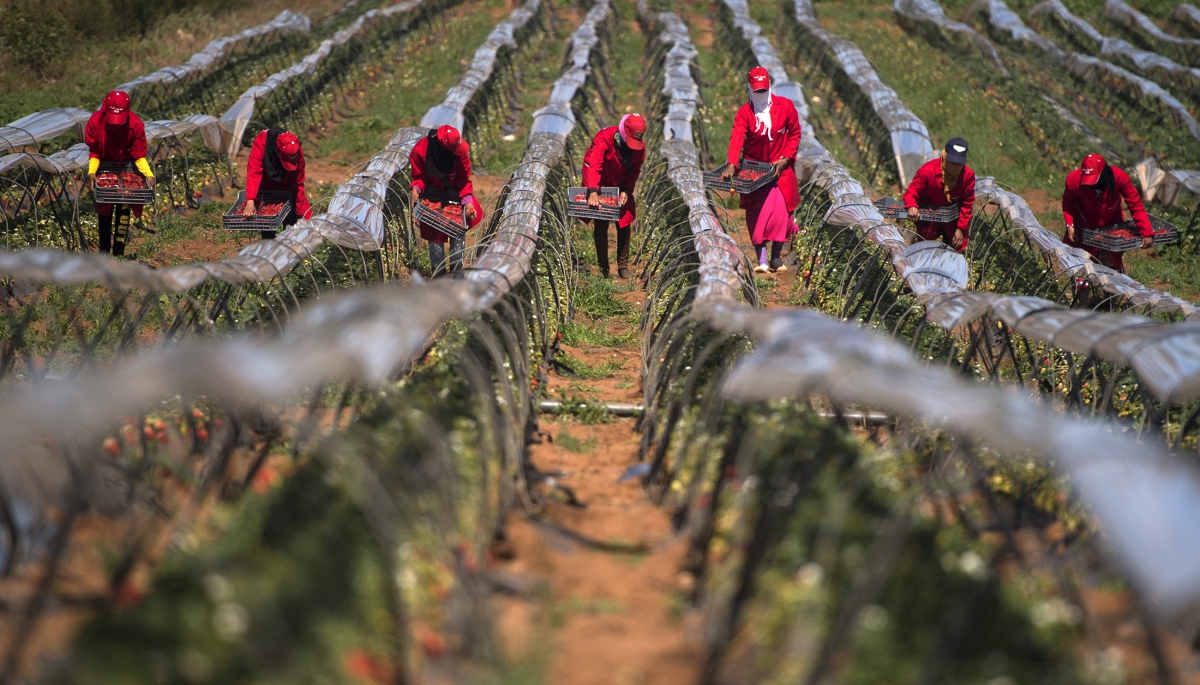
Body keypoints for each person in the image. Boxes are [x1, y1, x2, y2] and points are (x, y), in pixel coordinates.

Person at [721, 66, 802, 273]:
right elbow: (737, 137)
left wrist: (785, 159)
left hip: (779, 171)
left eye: (763, 91)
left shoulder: (785, 106)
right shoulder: (745, 113)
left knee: (780, 214)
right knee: (758, 214)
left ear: (769, 87)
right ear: (750, 88)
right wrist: (732, 163)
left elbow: (795, 134)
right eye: (756, 91)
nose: (760, 94)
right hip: (754, 173)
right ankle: (762, 258)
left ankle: (776, 257)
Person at [85, 90, 154, 256]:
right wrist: (92, 171)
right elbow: (95, 153)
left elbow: (138, 156)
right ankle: (103, 253)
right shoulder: (96, 122)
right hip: (105, 166)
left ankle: (118, 252)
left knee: (125, 201)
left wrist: (149, 174)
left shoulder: (135, 125)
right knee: (105, 208)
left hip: (126, 166)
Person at [410, 125, 483, 277]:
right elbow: (419, 177)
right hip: (432, 198)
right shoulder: (421, 151)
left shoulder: (459, 151)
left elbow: (463, 180)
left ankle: (457, 274)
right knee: (435, 238)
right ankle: (439, 275)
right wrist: (416, 189)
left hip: (455, 197)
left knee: (457, 233)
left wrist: (467, 201)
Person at [1062, 153, 1153, 274]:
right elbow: (1068, 203)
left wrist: (1146, 232)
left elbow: (1135, 204)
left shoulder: (1119, 177)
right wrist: (1069, 224)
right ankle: (1081, 288)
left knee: (1111, 265)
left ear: (1104, 174)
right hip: (1084, 226)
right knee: (1079, 264)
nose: (1092, 185)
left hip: (1111, 226)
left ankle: (1110, 289)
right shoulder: (1074, 181)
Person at [581, 113, 646, 278]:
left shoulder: (638, 149)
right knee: (601, 219)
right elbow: (595, 165)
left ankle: (623, 266)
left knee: (624, 220)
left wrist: (626, 189)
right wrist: (594, 191)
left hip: (620, 180)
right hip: (599, 179)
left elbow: (635, 169)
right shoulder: (604, 138)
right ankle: (603, 268)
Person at [902, 137, 975, 253]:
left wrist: (960, 228)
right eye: (952, 162)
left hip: (952, 220)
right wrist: (911, 205)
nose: (954, 166)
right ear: (945, 155)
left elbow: (967, 203)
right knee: (922, 250)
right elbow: (911, 192)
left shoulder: (967, 176)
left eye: (958, 163)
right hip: (928, 217)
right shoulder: (928, 171)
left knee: (953, 251)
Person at [242, 128, 312, 240]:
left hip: (287, 182)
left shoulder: (297, 150)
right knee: (267, 221)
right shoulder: (261, 142)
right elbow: (254, 171)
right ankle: (268, 246)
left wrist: (301, 214)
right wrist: (250, 201)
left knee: (291, 220)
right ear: (278, 152)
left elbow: (298, 183)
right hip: (267, 183)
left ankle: (289, 244)